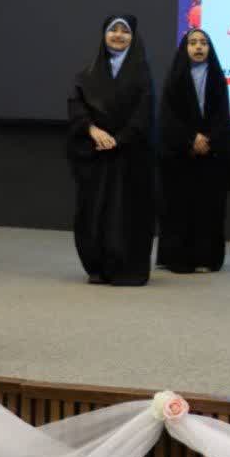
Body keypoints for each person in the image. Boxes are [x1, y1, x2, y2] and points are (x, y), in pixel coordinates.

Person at [66, 16, 155, 286]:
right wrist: (92, 130)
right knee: (94, 211)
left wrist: (119, 139)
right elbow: (77, 105)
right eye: (112, 30)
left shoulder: (142, 74)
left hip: (130, 157)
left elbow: (143, 113)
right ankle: (98, 267)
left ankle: (127, 269)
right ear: (103, 35)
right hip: (96, 154)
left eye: (124, 31)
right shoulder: (87, 74)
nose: (118, 35)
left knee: (127, 214)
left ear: (133, 37)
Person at [156, 28, 230, 274]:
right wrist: (190, 139)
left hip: (210, 155)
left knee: (208, 208)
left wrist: (207, 139)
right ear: (185, 48)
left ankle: (206, 258)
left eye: (203, 42)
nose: (199, 47)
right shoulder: (175, 78)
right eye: (193, 42)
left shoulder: (218, 78)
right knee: (179, 207)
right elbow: (168, 117)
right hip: (181, 155)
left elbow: (222, 116)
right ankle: (178, 258)